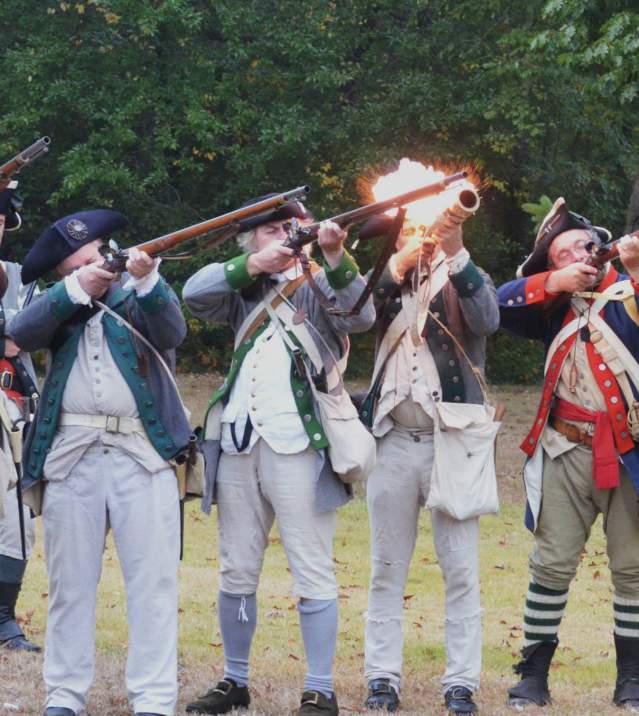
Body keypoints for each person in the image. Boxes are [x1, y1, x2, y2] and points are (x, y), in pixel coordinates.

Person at [182, 195, 375, 716]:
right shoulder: (242, 291)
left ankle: (319, 687)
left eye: (292, 226)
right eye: (271, 230)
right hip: (240, 445)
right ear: (254, 241)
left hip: (299, 447)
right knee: (237, 568)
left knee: (311, 568)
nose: (284, 234)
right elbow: (193, 292)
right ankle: (234, 679)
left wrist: (335, 256)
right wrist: (255, 264)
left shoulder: (318, 284)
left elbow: (362, 314)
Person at [10, 210, 191, 716]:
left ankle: (154, 700)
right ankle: (63, 697)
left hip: (142, 453)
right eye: (77, 264)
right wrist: (75, 290)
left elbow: (172, 332)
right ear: (64, 273)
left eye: (94, 255)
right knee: (70, 585)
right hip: (71, 456)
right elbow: (19, 332)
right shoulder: (60, 302)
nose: (92, 265)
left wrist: (147, 277)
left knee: (152, 584)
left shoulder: (141, 290)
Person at [498, 198, 639, 710]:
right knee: (552, 565)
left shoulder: (627, 293)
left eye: (583, 244)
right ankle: (533, 675)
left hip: (631, 453)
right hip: (564, 449)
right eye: (563, 253)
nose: (580, 252)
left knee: (632, 568)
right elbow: (494, 306)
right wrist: (553, 285)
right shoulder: (549, 306)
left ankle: (632, 680)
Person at [359, 214, 499, 714]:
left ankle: (460, 683)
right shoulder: (385, 280)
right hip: (393, 439)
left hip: (451, 442)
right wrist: (398, 262)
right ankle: (381, 678)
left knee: (460, 571)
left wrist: (456, 250)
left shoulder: (467, 276)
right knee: (386, 569)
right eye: (407, 230)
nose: (418, 237)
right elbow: (352, 312)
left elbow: (488, 319)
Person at [0, 181, 40, 652]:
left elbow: (31, 333)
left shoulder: (20, 278)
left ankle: (4, 618)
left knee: (17, 518)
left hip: (13, 409)